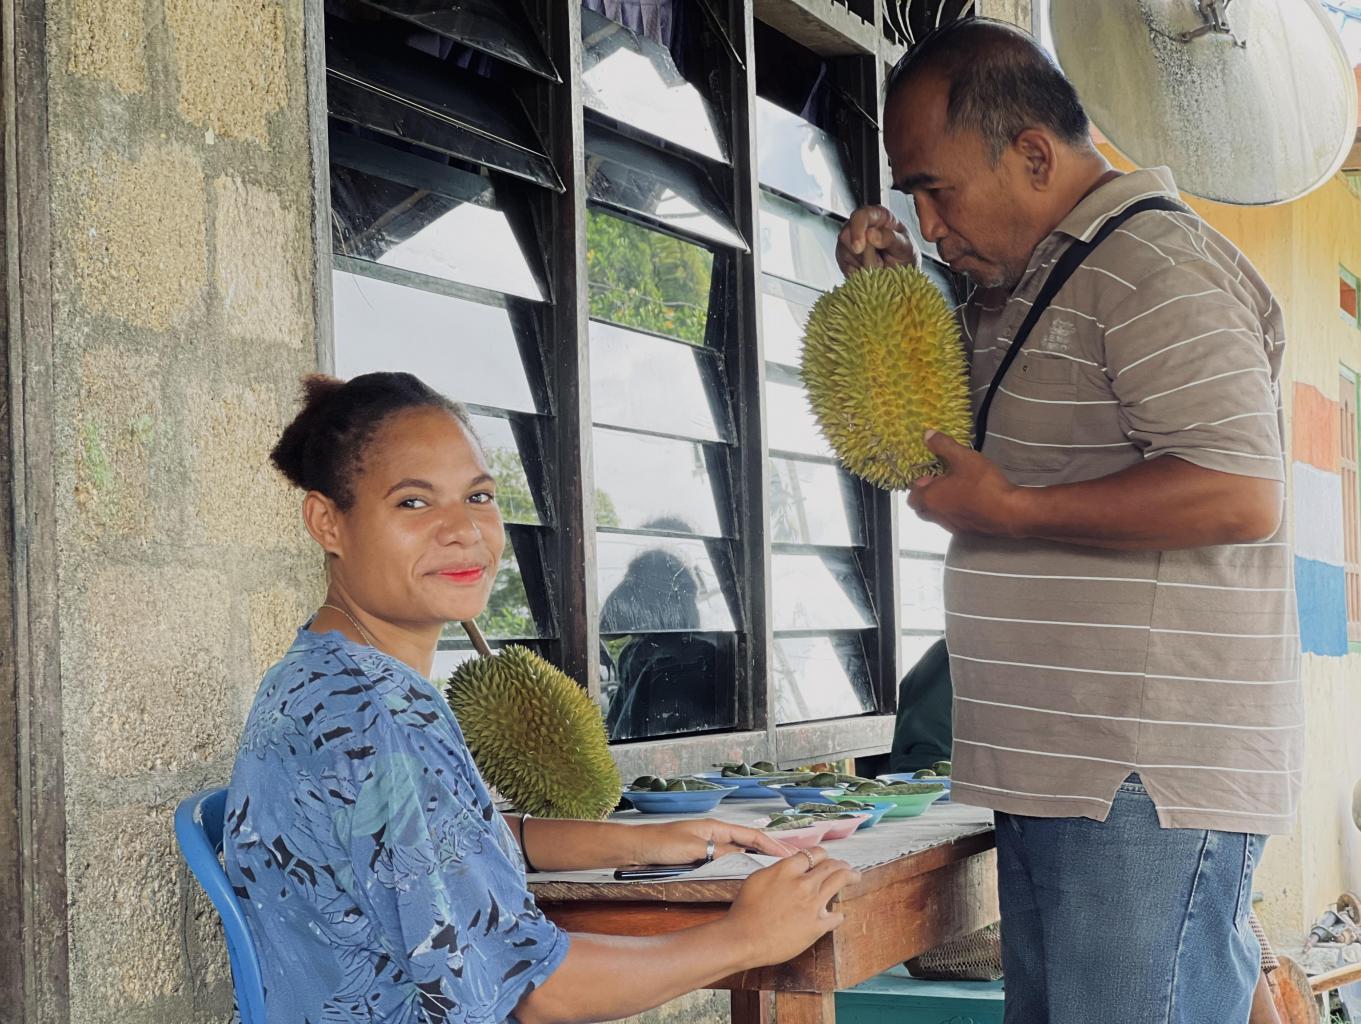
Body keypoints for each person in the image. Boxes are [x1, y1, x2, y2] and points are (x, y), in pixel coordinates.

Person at [836, 18, 1300, 1024]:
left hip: (1139, 775)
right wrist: (891, 301)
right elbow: (958, 446)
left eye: (936, 189)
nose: (927, 222)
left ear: (1033, 155)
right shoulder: (1029, 285)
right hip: (1059, 768)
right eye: (911, 196)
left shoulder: (1153, 265)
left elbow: (1237, 491)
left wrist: (1011, 509)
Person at [224, 371, 859, 1024]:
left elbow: (437, 838)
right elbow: (531, 991)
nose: (463, 529)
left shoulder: (321, 673)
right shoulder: (380, 716)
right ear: (327, 522)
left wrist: (644, 842)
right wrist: (746, 938)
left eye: (478, 496)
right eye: (413, 503)